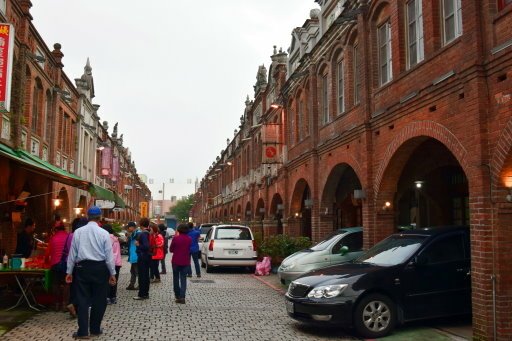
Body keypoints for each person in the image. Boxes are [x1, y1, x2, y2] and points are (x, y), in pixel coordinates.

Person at [65, 206, 116, 339]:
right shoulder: (104, 233)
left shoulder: (78, 232)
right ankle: (95, 329)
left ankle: (83, 331)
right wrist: (112, 273)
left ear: (87, 217)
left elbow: (72, 254)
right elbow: (109, 256)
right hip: (100, 268)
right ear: (99, 218)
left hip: (82, 268)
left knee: (82, 299)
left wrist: (69, 271)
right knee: (100, 300)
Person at [66, 217, 88, 318]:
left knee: (73, 287)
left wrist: (69, 270)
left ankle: (72, 303)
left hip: (71, 264)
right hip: (80, 264)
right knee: (81, 287)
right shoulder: (82, 235)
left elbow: (68, 251)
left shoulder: (70, 235)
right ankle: (76, 306)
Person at [45, 221, 70, 311]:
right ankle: (65, 304)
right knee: (66, 283)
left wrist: (46, 261)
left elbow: (47, 253)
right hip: (66, 263)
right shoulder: (68, 236)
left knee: (55, 284)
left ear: (55, 229)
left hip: (55, 263)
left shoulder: (53, 238)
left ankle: (56, 305)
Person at [169, 223, 192, 304]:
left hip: (176, 261)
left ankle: (177, 295)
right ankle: (182, 297)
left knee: (176, 278)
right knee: (183, 279)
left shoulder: (175, 238)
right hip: (185, 261)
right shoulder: (189, 239)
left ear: (179, 230)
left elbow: (171, 250)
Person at [103, 224, 122, 304]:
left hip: (108, 262)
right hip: (117, 262)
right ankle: (113, 297)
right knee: (114, 280)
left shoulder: (106, 238)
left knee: (107, 280)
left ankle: (107, 297)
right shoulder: (116, 238)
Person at [133, 217, 151, 300]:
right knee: (146, 275)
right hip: (147, 256)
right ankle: (145, 293)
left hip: (143, 256)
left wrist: (138, 245)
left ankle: (142, 294)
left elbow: (146, 246)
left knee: (142, 276)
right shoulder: (148, 232)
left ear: (141, 224)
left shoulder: (143, 233)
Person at [125, 221, 139, 290]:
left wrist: (129, 236)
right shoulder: (133, 234)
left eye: (128, 227)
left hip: (136, 256)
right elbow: (128, 243)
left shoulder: (137, 233)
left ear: (132, 227)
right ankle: (131, 284)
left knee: (137, 271)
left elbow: (135, 238)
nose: (128, 229)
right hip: (133, 256)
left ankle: (140, 284)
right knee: (133, 271)